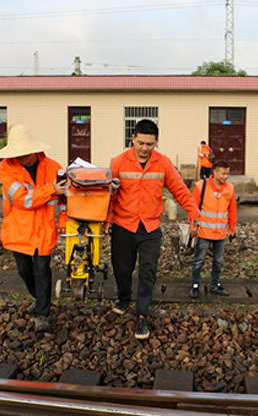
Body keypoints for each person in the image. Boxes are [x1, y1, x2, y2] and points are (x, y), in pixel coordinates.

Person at [103, 119, 200, 340]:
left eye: (150, 144)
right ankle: (123, 299)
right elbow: (109, 195)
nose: (145, 148)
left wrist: (194, 212)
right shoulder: (118, 162)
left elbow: (180, 190)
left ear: (156, 142)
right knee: (122, 269)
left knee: (148, 271)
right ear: (133, 139)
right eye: (141, 143)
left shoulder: (163, 164)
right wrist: (107, 219)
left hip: (149, 228)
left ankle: (142, 316)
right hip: (123, 226)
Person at [0, 125, 67, 333]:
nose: (21, 157)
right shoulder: (5, 168)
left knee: (42, 270)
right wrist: (51, 189)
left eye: (25, 153)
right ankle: (40, 297)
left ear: (34, 150)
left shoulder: (54, 167)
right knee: (24, 270)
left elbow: (64, 199)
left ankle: (42, 314)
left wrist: (62, 220)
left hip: (44, 230)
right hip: (19, 230)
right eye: (18, 154)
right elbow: (20, 199)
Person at [189, 160, 237, 299]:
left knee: (218, 261)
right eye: (223, 173)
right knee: (199, 259)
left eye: (228, 173)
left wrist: (231, 228)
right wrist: (193, 226)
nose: (226, 176)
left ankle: (215, 285)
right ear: (214, 172)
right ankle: (195, 285)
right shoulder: (200, 186)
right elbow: (193, 209)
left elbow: (232, 210)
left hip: (221, 233)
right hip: (204, 232)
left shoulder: (230, 188)